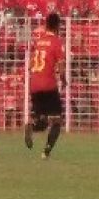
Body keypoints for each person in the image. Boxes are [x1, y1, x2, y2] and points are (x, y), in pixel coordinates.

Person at [24, 12, 65, 159]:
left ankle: (31, 126)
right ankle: (46, 152)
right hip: (48, 85)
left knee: (42, 121)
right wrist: (64, 80)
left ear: (46, 25)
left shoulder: (39, 41)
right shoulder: (56, 42)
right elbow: (60, 67)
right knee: (57, 120)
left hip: (34, 84)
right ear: (58, 26)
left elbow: (31, 65)